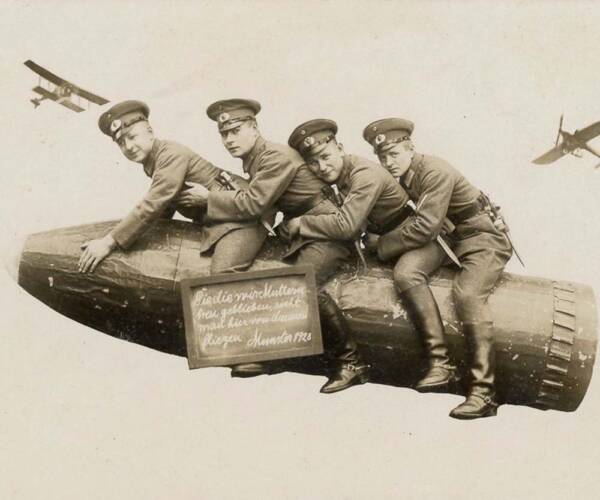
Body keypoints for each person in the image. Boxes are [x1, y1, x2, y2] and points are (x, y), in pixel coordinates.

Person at [179, 101, 369, 392]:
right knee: (276, 287)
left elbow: (255, 203)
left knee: (302, 288)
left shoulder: (274, 157)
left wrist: (208, 199)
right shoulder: (257, 158)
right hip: (307, 230)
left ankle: (351, 362)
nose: (229, 140)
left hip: (327, 232)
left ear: (254, 128)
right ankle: (270, 356)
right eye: (224, 134)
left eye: (236, 130)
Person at [362, 118, 513, 419]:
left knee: (468, 295)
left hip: (481, 237)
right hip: (449, 239)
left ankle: (484, 393)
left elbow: (424, 228)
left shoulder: (434, 171)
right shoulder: (403, 176)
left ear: (410, 148)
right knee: (406, 273)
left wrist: (381, 244)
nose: (388, 162)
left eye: (394, 154)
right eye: (382, 157)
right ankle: (440, 364)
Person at [78, 100, 266, 275]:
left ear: (150, 132)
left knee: (220, 276)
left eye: (133, 137)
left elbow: (155, 202)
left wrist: (109, 242)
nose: (129, 146)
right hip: (224, 219)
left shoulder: (170, 155)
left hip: (244, 218)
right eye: (121, 143)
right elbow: (167, 204)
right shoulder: (155, 160)